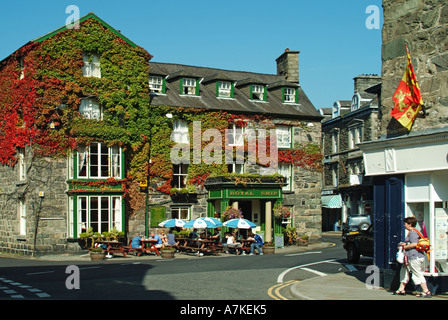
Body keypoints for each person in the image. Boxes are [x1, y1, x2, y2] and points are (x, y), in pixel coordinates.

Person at [392, 217, 431, 298]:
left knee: (417, 273)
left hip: (414, 256)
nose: (404, 225)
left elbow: (414, 244)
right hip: (410, 256)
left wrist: (404, 247)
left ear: (409, 224)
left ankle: (426, 291)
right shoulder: (414, 231)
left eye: (405, 223)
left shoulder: (413, 232)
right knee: (404, 272)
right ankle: (401, 289)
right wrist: (404, 244)